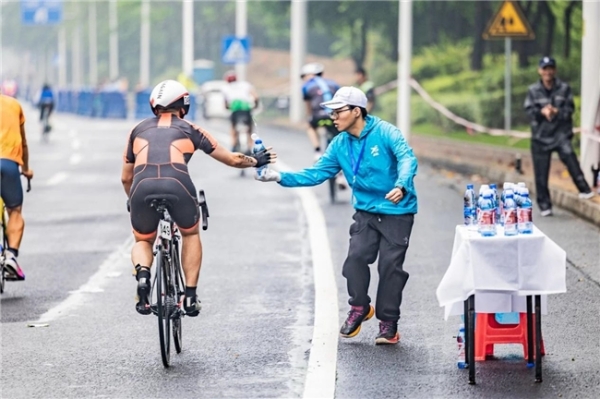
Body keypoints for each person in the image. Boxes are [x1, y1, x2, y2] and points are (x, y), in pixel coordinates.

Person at [255, 87, 418, 345]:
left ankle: (388, 323)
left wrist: (401, 184)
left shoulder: (386, 132)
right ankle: (360, 307)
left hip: (397, 211)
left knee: (390, 267)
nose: (332, 116)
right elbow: (316, 173)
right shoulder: (340, 144)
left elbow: (407, 159)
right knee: (354, 260)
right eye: (331, 111)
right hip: (365, 211)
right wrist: (279, 176)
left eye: (338, 111)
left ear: (356, 111)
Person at [121, 80, 275, 316]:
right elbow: (232, 159)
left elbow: (125, 178)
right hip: (178, 185)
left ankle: (143, 277)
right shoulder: (191, 129)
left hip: (142, 187)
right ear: (184, 105)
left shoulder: (137, 130)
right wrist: (257, 161)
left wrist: (132, 200)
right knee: (190, 233)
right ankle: (190, 297)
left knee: (143, 240)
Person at [524, 56, 594, 217]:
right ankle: (544, 205)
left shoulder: (564, 88)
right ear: (540, 71)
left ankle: (585, 190)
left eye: (550, 68)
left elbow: (570, 109)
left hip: (560, 134)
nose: (548, 72)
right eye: (545, 69)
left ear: (554, 70)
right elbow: (529, 111)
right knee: (541, 173)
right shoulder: (533, 90)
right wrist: (542, 112)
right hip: (540, 137)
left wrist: (556, 111)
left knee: (571, 159)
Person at [0, 93, 34, 281]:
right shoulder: (13, 105)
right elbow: (23, 143)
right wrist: (26, 170)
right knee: (15, 211)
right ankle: (11, 255)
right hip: (8, 164)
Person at [301, 62, 341, 158]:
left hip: (318, 115)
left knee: (310, 126)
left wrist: (309, 117)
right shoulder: (333, 83)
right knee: (337, 134)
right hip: (334, 114)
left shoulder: (306, 86)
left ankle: (317, 151)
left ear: (310, 75)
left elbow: (308, 105)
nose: (303, 79)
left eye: (303, 76)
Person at [221, 70, 259, 153]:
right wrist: (255, 105)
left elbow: (225, 103)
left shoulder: (225, 88)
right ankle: (249, 147)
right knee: (249, 129)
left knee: (233, 128)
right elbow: (255, 97)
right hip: (246, 110)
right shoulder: (246, 85)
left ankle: (233, 145)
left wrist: (227, 107)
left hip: (235, 111)